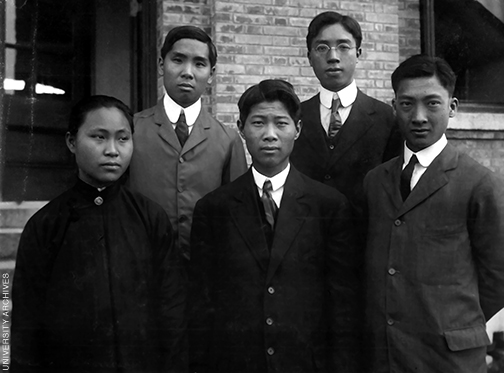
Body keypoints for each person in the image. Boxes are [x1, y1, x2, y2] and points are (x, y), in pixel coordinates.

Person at [188, 80, 360, 373]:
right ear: (241, 128)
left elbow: (342, 306)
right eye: (258, 123)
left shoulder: (329, 206)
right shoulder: (213, 208)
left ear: (298, 129)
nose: (269, 135)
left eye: (281, 123)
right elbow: (203, 304)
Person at [11, 96, 186, 372]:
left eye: (123, 139)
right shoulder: (46, 225)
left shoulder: (151, 218)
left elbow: (172, 311)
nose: (112, 150)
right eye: (99, 137)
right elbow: (25, 322)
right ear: (71, 141)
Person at [363, 54, 504, 373]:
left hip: (449, 359)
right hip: (385, 357)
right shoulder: (374, 181)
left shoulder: (479, 183)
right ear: (394, 106)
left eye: (432, 103)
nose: (419, 116)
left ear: (452, 107)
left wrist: (454, 322)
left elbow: (498, 278)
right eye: (407, 104)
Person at [129, 25, 247, 261]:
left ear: (211, 74)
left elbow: (238, 216)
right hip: (141, 266)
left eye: (199, 64)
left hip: (204, 272)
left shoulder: (228, 139)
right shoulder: (131, 130)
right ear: (162, 65)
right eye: (178, 60)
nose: (187, 72)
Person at [290, 11, 401, 215]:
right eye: (322, 48)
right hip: (306, 239)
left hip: (362, 240)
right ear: (309, 57)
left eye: (343, 47)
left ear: (358, 53)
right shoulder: (294, 117)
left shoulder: (387, 118)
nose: (333, 57)